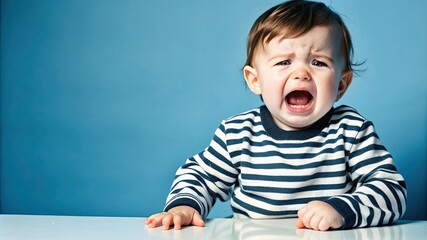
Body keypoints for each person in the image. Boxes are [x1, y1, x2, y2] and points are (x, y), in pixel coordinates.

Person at [145, 0, 407, 231]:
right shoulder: (237, 133)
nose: (302, 73)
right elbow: (200, 176)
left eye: (318, 62)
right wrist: (183, 206)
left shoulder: (351, 130)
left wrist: (342, 210)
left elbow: (391, 190)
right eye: (284, 62)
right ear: (255, 80)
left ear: (341, 84)